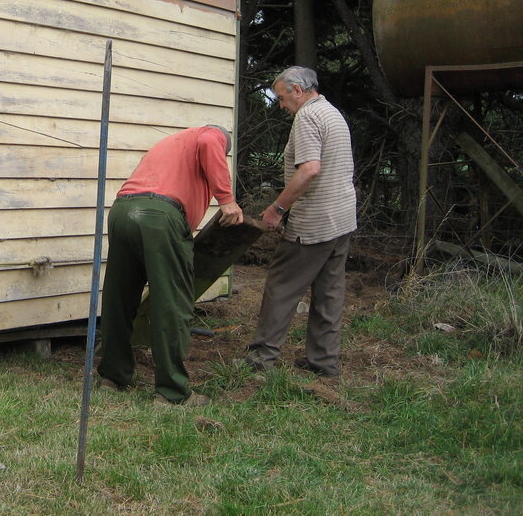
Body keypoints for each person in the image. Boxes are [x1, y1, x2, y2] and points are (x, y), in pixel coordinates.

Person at [98, 125, 243, 405]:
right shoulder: (212, 134)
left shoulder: (170, 144)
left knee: (120, 298)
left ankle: (112, 377)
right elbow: (208, 142)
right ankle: (172, 392)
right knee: (171, 303)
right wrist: (226, 200)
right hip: (159, 216)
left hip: (123, 211)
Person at [245, 66, 357, 377]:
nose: (280, 105)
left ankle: (260, 361)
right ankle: (324, 361)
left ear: (298, 91)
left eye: (281, 98)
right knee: (329, 292)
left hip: (315, 223)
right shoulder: (332, 112)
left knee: (281, 286)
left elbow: (309, 170)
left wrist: (277, 209)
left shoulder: (307, 116)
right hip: (342, 218)